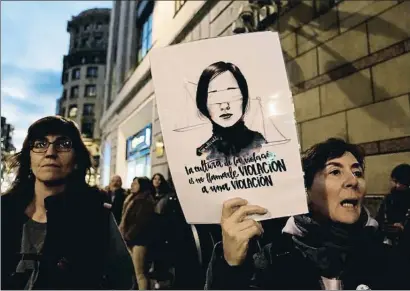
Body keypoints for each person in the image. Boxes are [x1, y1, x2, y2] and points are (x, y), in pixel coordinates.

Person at [205, 138, 409, 290]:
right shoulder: (272, 260)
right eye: (335, 172)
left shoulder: (386, 257)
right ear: (307, 190)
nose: (353, 181)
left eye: (357, 172)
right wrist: (229, 266)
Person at [1, 116, 135, 290]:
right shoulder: (4, 210)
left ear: (77, 161)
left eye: (63, 144)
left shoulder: (96, 217)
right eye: (40, 144)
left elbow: (124, 281)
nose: (50, 152)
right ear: (29, 157)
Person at [195, 61, 266, 160]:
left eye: (232, 94)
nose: (224, 106)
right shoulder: (203, 153)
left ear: (244, 97)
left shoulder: (260, 144)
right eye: (214, 96)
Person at [120, 177, 156, 290]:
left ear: (142, 185)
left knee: (140, 274)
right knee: (134, 273)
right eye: (132, 182)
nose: (132, 185)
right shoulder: (133, 198)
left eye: (135, 183)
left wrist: (127, 236)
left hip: (139, 240)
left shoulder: (145, 200)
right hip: (132, 239)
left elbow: (140, 222)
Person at [376, 163, 410, 246]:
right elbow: (379, 219)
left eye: (401, 182)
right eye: (394, 181)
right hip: (387, 243)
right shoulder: (388, 199)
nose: (397, 185)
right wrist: (385, 227)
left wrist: (403, 228)